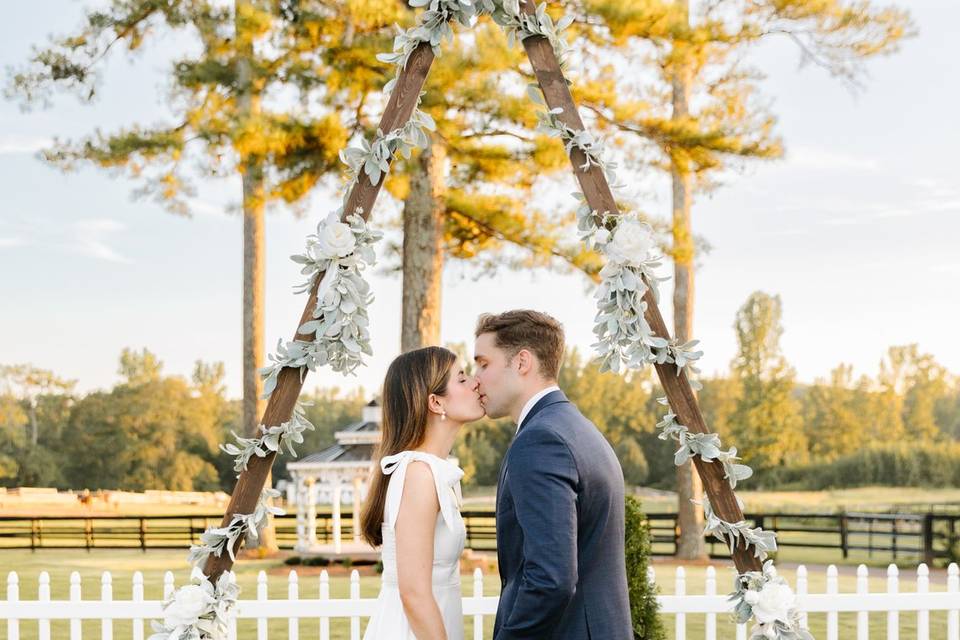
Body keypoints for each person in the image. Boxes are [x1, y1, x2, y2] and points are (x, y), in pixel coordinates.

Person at [474, 310, 633, 640]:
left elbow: (551, 578)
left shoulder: (540, 441)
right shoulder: (578, 429)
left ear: (522, 362)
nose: (476, 378)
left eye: (484, 363)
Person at [360, 346, 484, 640]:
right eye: (462, 378)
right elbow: (413, 593)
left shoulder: (431, 470)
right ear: (436, 402)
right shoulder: (417, 474)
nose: (475, 383)